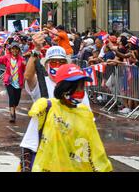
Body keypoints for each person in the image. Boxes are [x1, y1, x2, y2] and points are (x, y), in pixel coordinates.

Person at [19, 32, 91, 171]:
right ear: (46, 65)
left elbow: (87, 117)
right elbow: (28, 76)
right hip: (38, 145)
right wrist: (36, 50)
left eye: (61, 62)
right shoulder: (42, 82)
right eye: (53, 62)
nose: (57, 65)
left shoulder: (76, 88)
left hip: (68, 146)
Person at [28, 64, 112, 172]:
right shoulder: (45, 108)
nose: (80, 91)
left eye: (82, 87)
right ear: (64, 87)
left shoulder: (85, 114)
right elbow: (29, 144)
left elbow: (95, 150)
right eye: (76, 87)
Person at [0, 42, 26, 122]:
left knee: (16, 100)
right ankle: (12, 115)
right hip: (9, 81)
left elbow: (25, 70)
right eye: (13, 49)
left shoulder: (22, 59)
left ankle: (13, 109)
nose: (14, 50)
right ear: (10, 50)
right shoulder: (7, 57)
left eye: (16, 49)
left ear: (18, 50)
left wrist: (25, 64)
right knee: (11, 97)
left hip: (18, 82)